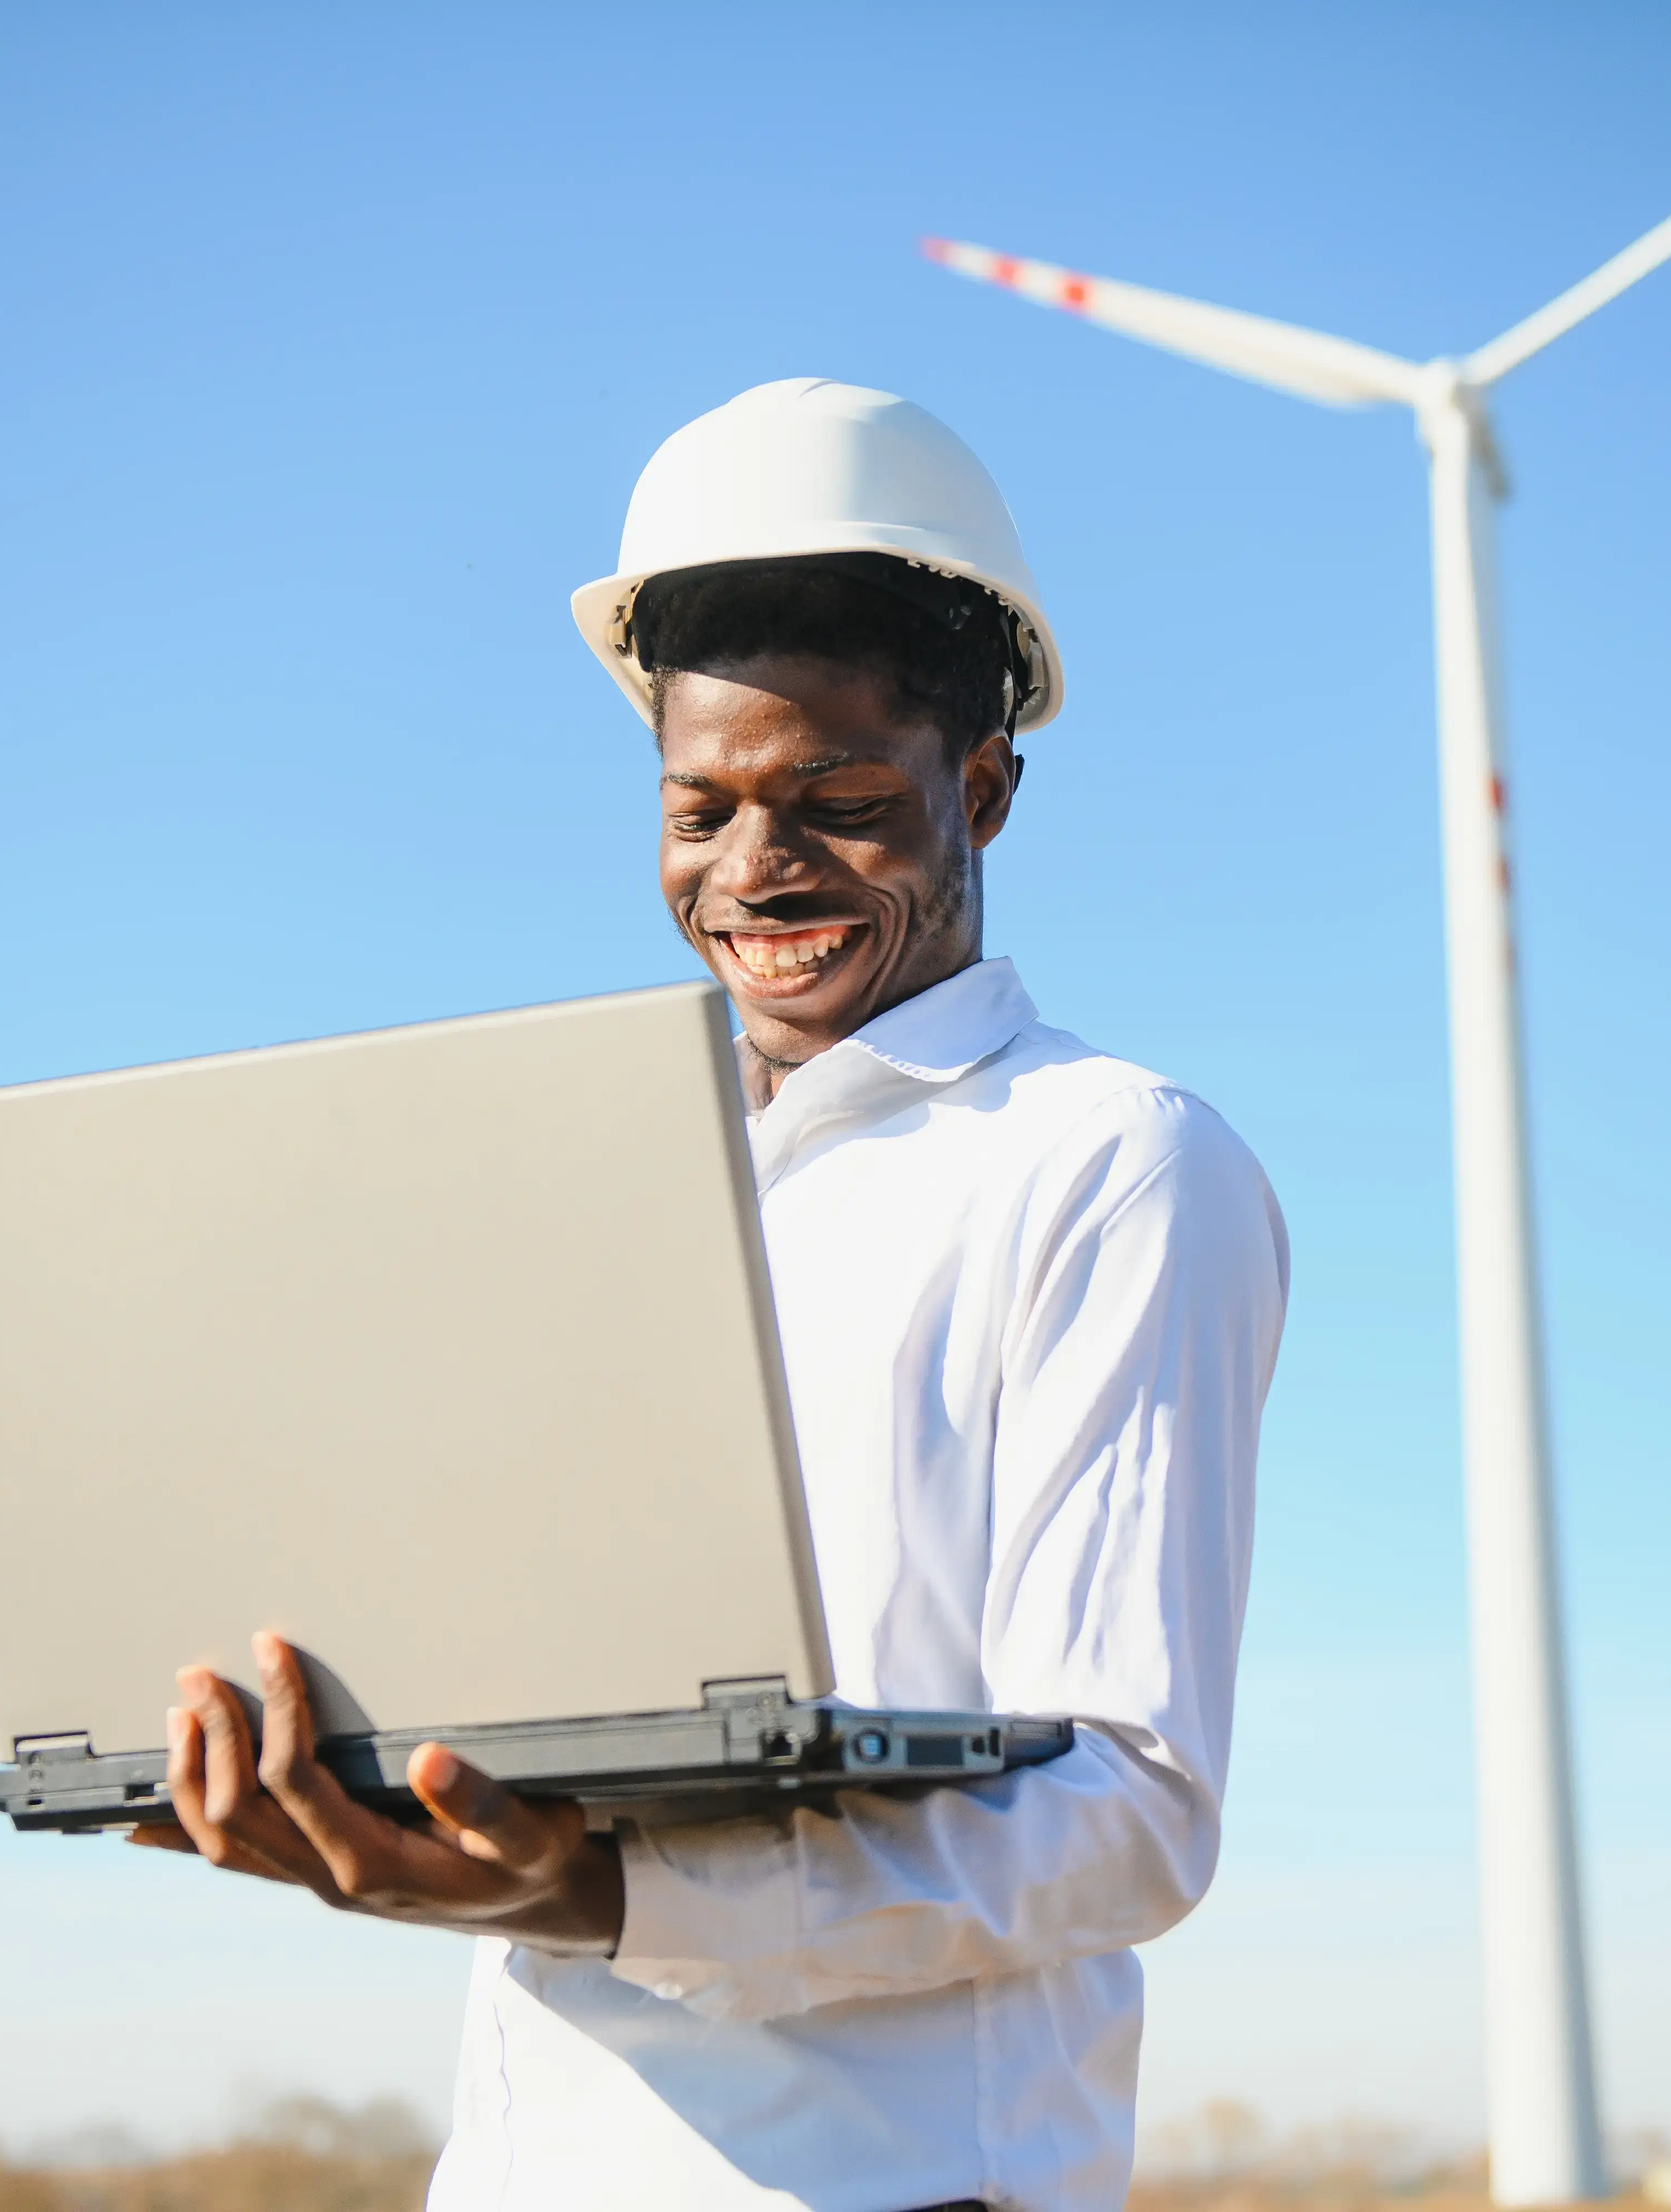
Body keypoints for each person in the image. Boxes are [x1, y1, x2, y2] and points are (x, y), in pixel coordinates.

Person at [135, 379, 1289, 2212]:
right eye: (703, 809)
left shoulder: (1108, 1161)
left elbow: (1129, 1817)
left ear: (982, 787)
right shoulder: (594, 1184)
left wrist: (603, 1895)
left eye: (838, 804)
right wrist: (336, 1764)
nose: (755, 874)